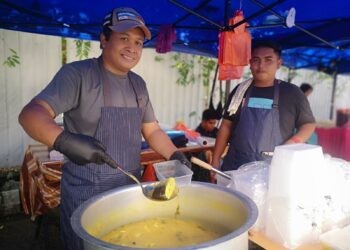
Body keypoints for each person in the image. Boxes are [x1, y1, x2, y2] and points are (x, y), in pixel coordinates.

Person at [18, 7, 190, 250]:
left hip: (130, 188)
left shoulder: (138, 85)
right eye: (124, 38)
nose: (132, 48)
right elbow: (30, 114)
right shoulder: (78, 75)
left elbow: (152, 131)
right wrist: (64, 140)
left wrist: (174, 154)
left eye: (139, 42)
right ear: (104, 39)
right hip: (85, 192)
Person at [212, 40, 316, 172]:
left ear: (279, 63)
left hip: (273, 169)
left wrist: (291, 144)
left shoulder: (292, 92)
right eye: (256, 60)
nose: (261, 66)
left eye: (268, 60)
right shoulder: (240, 91)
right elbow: (226, 125)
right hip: (235, 167)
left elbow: (308, 124)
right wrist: (215, 159)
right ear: (250, 64)